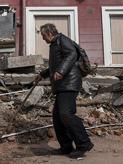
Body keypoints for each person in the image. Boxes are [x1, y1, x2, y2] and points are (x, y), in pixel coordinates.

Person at [35, 23, 93, 158]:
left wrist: (61, 71)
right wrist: (43, 74)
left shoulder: (62, 40)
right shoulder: (55, 44)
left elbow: (72, 54)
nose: (43, 39)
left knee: (66, 114)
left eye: (43, 36)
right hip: (62, 85)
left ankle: (84, 143)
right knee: (58, 117)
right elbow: (56, 65)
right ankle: (66, 146)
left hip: (69, 83)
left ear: (49, 33)